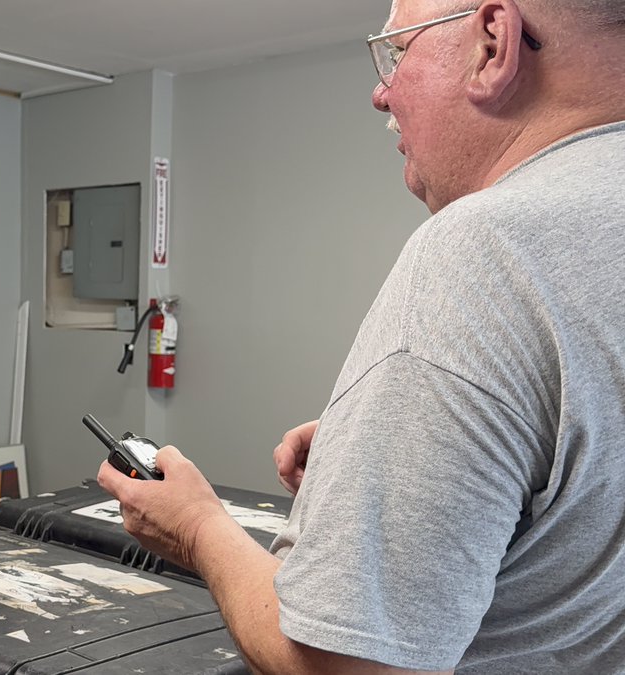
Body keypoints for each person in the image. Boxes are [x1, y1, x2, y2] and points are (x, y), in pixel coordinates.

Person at [100, 0, 625, 672]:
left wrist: (198, 524)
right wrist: (438, 441)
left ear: (493, 44)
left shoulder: (484, 250)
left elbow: (342, 665)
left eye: (399, 52)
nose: (381, 90)